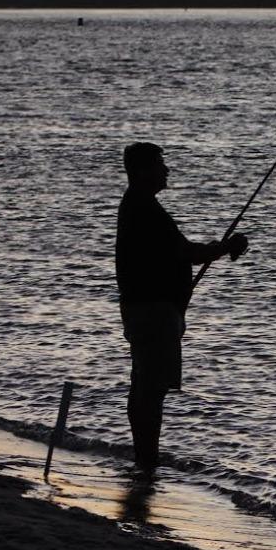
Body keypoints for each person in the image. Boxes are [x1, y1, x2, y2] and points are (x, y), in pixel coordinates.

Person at [115, 142, 248, 469]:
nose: (167, 170)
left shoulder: (137, 206)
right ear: (144, 171)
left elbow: (175, 253)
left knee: (144, 386)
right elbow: (186, 252)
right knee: (151, 390)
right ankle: (146, 461)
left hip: (144, 309)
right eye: (160, 165)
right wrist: (225, 247)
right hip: (153, 313)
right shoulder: (145, 209)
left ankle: (143, 458)